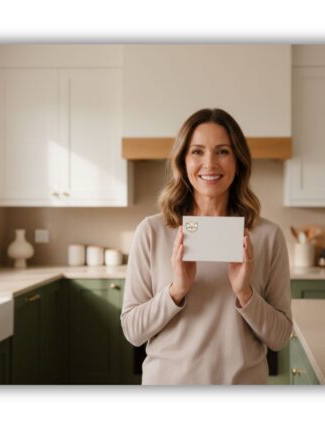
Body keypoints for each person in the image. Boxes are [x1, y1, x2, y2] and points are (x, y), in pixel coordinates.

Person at [120, 108, 293, 385]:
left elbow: (280, 337)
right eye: (197, 151)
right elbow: (132, 330)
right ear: (183, 161)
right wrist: (176, 291)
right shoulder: (151, 232)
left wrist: (245, 293)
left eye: (223, 151)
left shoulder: (268, 236)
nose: (209, 163)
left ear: (238, 161)